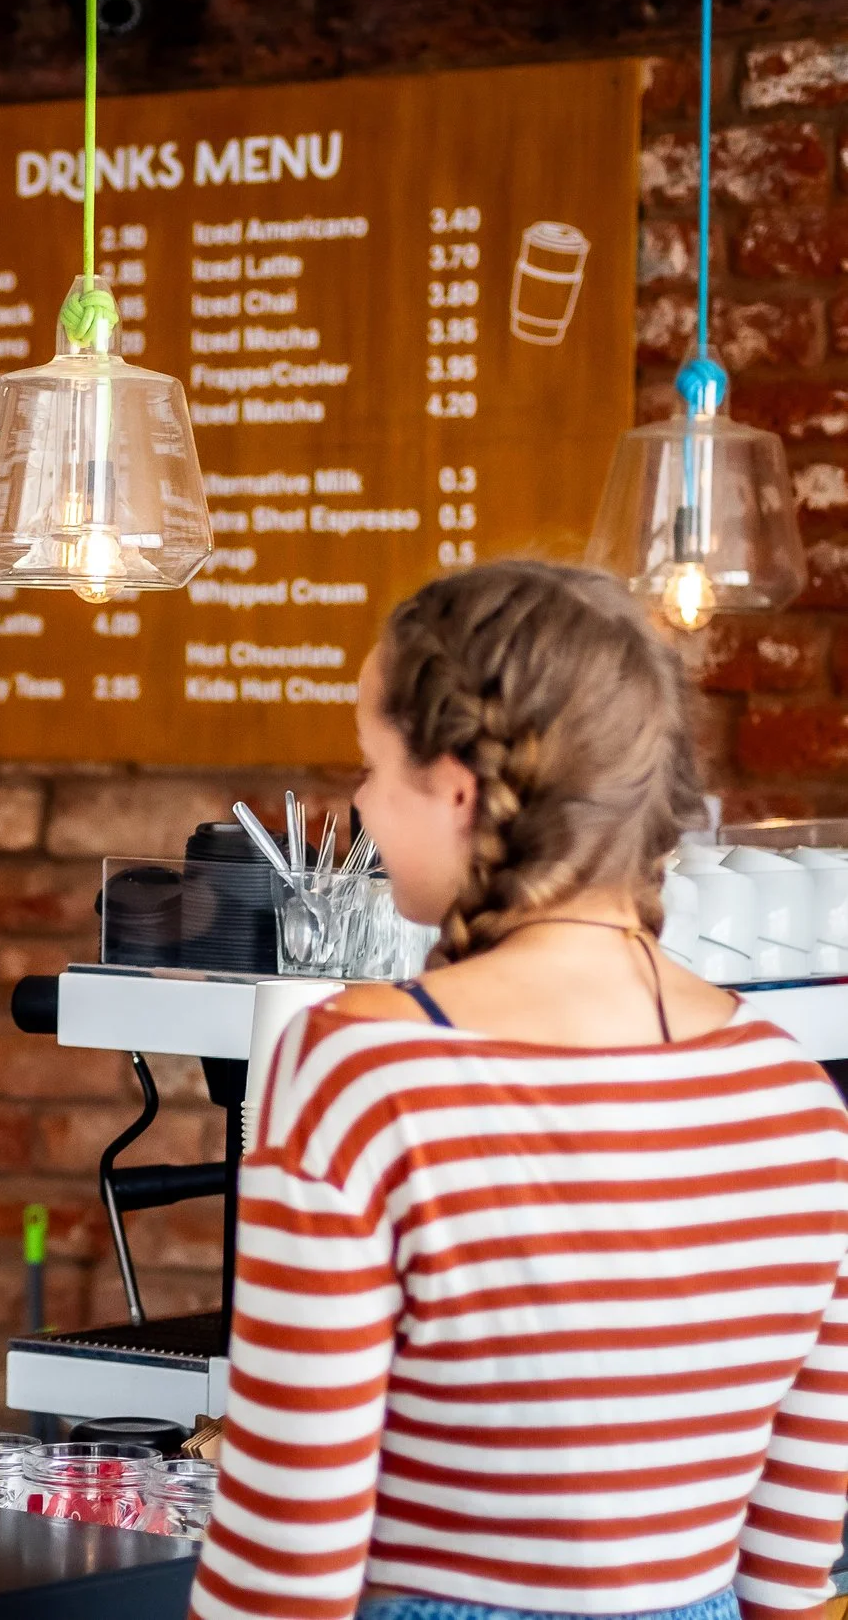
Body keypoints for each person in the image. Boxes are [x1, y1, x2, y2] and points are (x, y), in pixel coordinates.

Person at [192, 562, 848, 1620]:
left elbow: (282, 1576)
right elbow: (789, 1578)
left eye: (369, 764)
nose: (357, 803)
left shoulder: (358, 1071)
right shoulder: (797, 1103)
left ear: (457, 787)